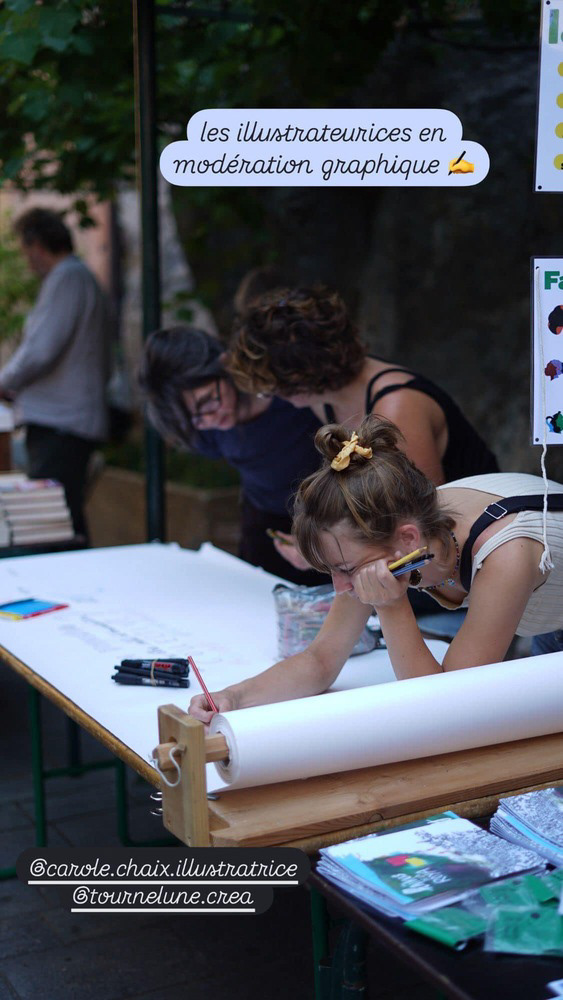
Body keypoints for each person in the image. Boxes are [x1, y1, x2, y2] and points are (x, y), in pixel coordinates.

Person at [189, 415, 563, 722]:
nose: (340, 587)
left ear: (408, 539)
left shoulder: (506, 554)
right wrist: (234, 697)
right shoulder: (391, 523)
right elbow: (322, 659)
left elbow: (447, 705)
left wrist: (391, 607)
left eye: (346, 569)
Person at [226, 285, 499, 575]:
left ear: (299, 379)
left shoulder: (398, 405)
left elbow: (422, 523)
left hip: (476, 553)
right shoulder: (325, 401)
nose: (273, 397)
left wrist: (331, 554)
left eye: (271, 387)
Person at [138, 324, 326, 584]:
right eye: (193, 418)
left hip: (330, 512)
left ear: (225, 366)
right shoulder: (201, 430)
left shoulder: (289, 393)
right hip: (267, 522)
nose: (210, 418)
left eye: (208, 400)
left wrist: (327, 532)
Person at [0, 208, 109, 538]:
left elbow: (40, 350)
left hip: (62, 423)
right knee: (63, 515)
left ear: (37, 246)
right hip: (65, 420)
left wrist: (4, 382)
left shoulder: (67, 278)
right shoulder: (76, 277)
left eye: (26, 250)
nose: (27, 260)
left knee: (53, 521)